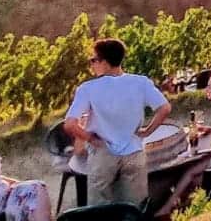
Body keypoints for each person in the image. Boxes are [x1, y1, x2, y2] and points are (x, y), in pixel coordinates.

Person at [63, 38, 172, 206]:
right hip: (134, 151)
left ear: (104, 62)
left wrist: (90, 139)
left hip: (103, 154)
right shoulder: (140, 82)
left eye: (94, 60)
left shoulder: (88, 89)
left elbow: (70, 124)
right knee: (134, 209)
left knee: (100, 209)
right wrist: (147, 131)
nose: (91, 64)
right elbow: (164, 108)